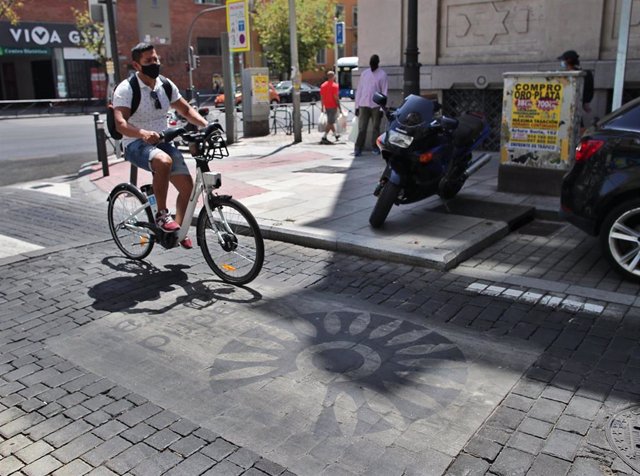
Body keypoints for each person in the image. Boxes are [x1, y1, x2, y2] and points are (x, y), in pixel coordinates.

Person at [113, 42, 208, 249]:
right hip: (135, 144)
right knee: (163, 161)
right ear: (136, 65)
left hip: (162, 140)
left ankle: (179, 232)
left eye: (155, 59)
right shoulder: (126, 89)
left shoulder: (165, 85)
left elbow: (185, 110)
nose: (154, 63)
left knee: (188, 190)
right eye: (148, 61)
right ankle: (162, 215)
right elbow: (120, 124)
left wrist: (206, 125)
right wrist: (143, 133)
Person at [354, 54, 388, 156]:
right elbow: (359, 90)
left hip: (376, 106)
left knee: (375, 128)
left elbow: (384, 92)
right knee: (362, 128)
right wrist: (356, 106)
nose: (372, 66)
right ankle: (358, 147)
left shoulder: (382, 75)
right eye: (371, 64)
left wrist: (382, 109)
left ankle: (375, 147)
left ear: (377, 63)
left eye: (374, 64)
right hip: (363, 104)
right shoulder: (364, 74)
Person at [558, 50, 594, 114]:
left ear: (568, 60)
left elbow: (588, 90)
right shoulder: (565, 74)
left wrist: (585, 102)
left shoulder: (582, 74)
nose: (562, 62)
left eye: (563, 60)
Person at [320, 70, 341, 144]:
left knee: (330, 121)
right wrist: (339, 107)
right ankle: (324, 137)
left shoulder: (323, 85)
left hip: (327, 105)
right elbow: (336, 98)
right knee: (330, 122)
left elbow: (322, 97)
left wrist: (322, 107)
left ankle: (335, 135)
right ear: (333, 76)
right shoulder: (335, 86)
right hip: (333, 106)